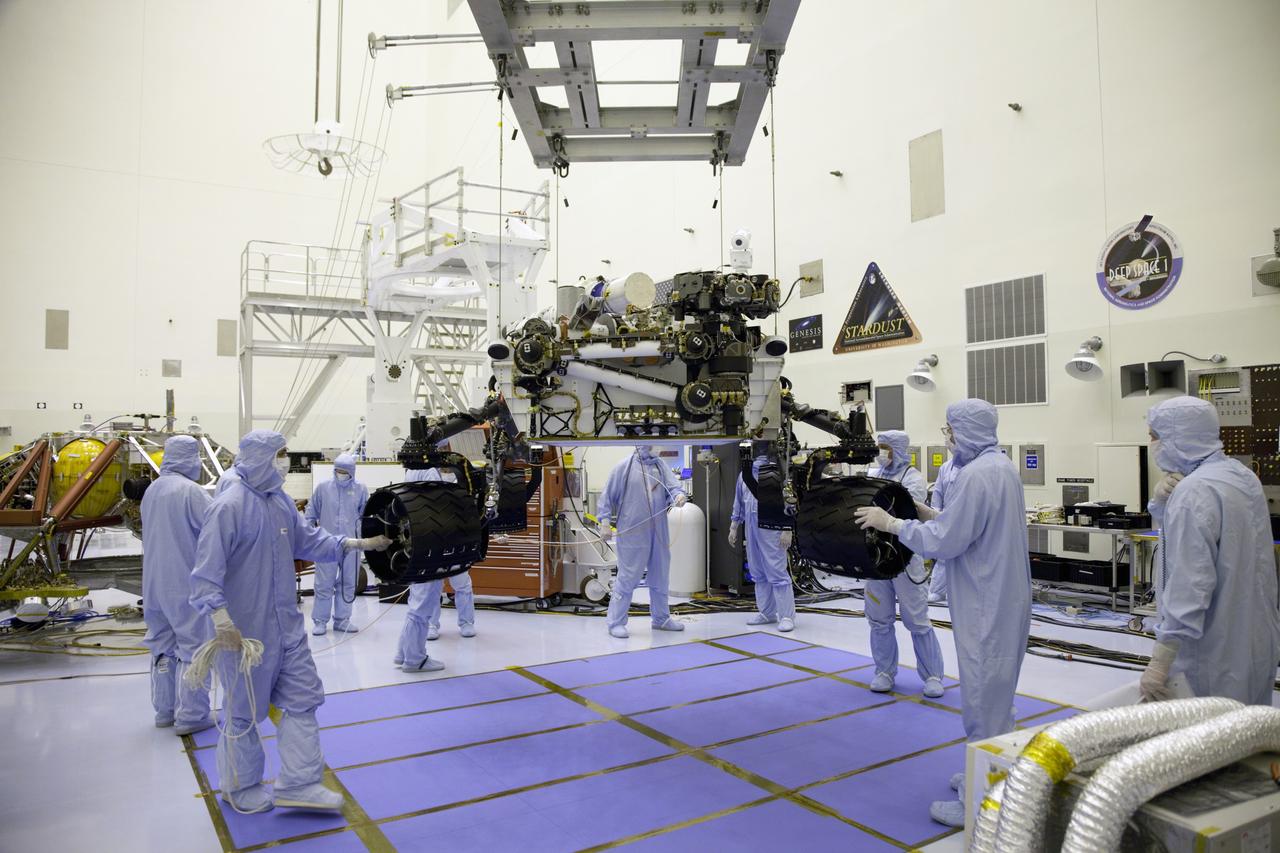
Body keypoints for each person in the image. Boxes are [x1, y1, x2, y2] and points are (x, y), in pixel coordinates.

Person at [190, 430, 390, 813]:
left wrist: (355, 545)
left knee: (303, 699)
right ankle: (239, 785)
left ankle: (299, 783)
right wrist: (220, 618)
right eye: (280, 454)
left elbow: (308, 540)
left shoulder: (278, 501)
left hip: (287, 629)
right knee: (245, 712)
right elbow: (205, 572)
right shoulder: (229, 506)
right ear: (261, 457)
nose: (286, 461)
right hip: (246, 634)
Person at [854, 399, 1031, 828]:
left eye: (950, 429)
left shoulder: (976, 475)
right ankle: (987, 774)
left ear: (965, 430)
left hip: (987, 605)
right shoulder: (1000, 468)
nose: (946, 436)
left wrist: (891, 524)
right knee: (994, 703)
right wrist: (930, 514)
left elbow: (945, 541)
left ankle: (982, 804)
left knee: (983, 706)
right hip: (999, 598)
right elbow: (963, 524)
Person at [1141, 396, 1280, 706]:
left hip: (1211, 655)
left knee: (1211, 746)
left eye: (1155, 436)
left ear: (1178, 436)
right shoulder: (1241, 476)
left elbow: (1190, 584)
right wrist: (1162, 503)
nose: (1152, 444)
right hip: (1254, 642)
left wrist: (1162, 658)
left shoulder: (1194, 492)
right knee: (1250, 743)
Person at [141, 435, 215, 736]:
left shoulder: (152, 491)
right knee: (194, 646)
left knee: (161, 645)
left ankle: (164, 711)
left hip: (153, 582)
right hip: (184, 582)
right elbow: (216, 533)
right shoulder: (191, 492)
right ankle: (193, 715)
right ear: (189, 457)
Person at [864, 431, 946, 698]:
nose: (881, 452)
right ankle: (884, 671)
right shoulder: (874, 474)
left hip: (905, 558)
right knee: (879, 618)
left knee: (917, 619)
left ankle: (933, 675)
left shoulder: (913, 478)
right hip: (876, 557)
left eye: (885, 448)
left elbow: (904, 512)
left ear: (897, 449)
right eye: (879, 447)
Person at [597, 446, 688, 638]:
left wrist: (679, 495)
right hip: (633, 532)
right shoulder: (624, 468)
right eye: (654, 443)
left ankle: (661, 619)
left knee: (660, 574)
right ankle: (615, 622)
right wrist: (604, 522)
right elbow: (606, 497)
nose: (658, 447)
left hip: (659, 532)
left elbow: (673, 487)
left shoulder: (660, 466)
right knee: (628, 577)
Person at [393, 467, 463, 674]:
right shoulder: (430, 471)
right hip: (430, 543)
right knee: (424, 605)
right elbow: (437, 506)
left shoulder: (411, 471)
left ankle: (403, 653)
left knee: (416, 602)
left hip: (417, 540)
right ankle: (415, 659)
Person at [730, 450, 796, 632]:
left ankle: (786, 616)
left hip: (772, 528)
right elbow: (739, 501)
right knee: (757, 571)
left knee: (776, 571)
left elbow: (789, 501)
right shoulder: (745, 474)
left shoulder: (777, 472)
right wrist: (734, 525)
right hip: (751, 529)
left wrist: (787, 528)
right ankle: (766, 613)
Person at [305, 454, 369, 636]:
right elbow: (310, 515)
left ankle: (343, 620)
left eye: (345, 472)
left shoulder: (361, 490)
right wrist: (310, 539)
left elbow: (366, 517)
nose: (341, 474)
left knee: (348, 583)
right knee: (323, 583)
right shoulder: (323, 488)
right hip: (326, 544)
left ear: (352, 472)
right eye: (338, 471)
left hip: (352, 545)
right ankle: (320, 621)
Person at [926, 458, 957, 604]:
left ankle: (959, 593)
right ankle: (937, 591)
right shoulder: (946, 467)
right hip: (946, 518)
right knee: (943, 556)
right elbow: (938, 492)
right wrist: (935, 514)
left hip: (966, 519)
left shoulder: (976, 467)